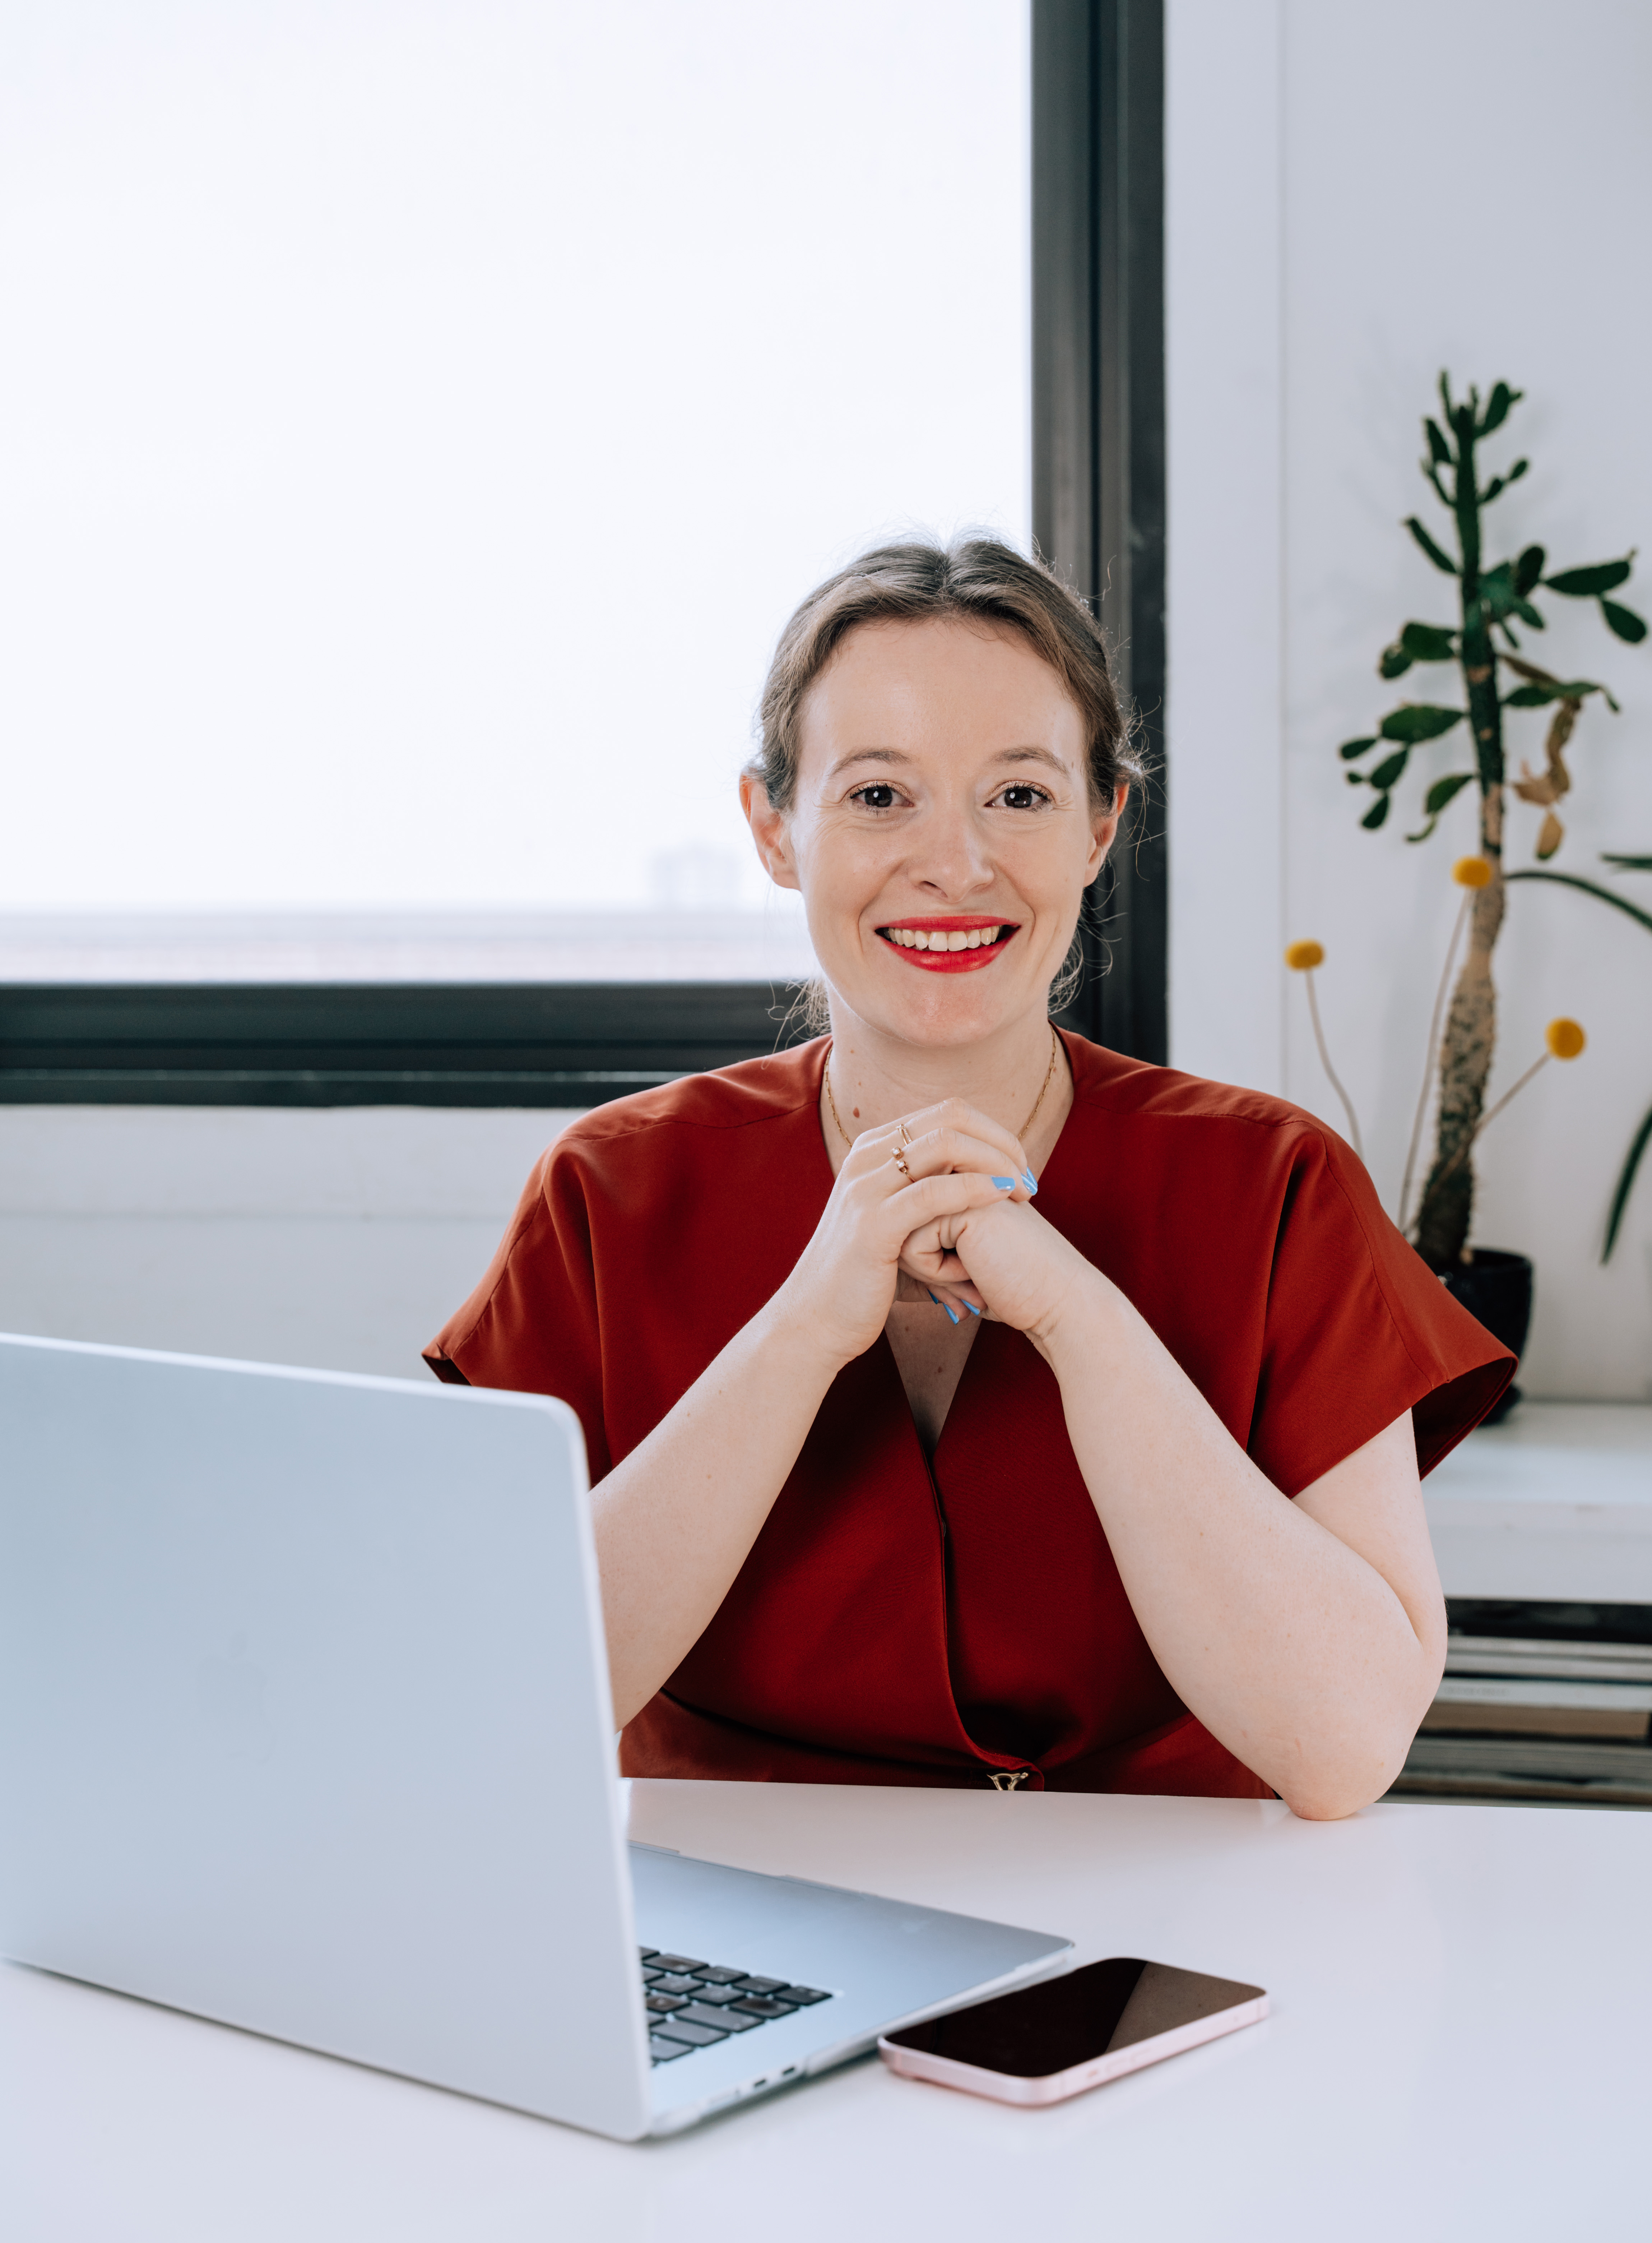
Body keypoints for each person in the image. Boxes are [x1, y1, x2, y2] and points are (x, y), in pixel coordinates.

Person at [426, 538, 1511, 1817]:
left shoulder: (1278, 1185)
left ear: (1103, 823)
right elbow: (480, 1705)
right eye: (881, 796)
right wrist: (801, 1332)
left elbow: (1345, 1749)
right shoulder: (607, 1193)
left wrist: (1080, 1319)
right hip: (730, 1933)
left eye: (1020, 796)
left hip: (1175, 1931)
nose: (955, 864)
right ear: (775, 829)